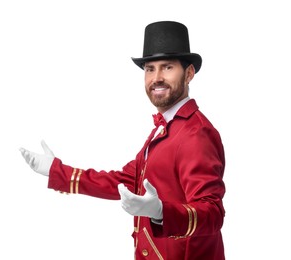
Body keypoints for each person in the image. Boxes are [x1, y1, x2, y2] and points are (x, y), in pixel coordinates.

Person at [20, 21, 226, 260]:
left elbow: (212, 213)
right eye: (150, 69)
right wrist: (59, 172)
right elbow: (124, 181)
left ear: (189, 73)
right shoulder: (165, 129)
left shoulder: (196, 133)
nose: (156, 78)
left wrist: (161, 213)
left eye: (167, 67)